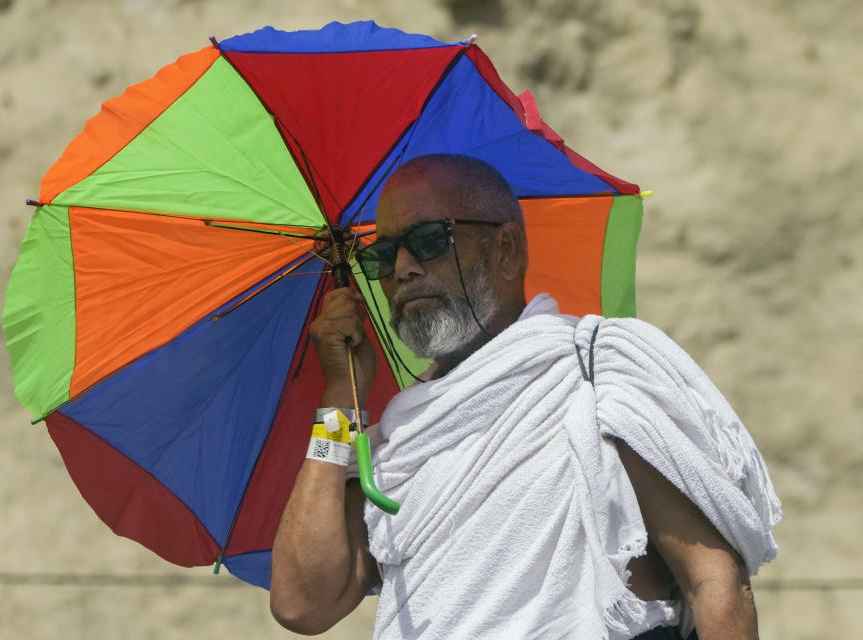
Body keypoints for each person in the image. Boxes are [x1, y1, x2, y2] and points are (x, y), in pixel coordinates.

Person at [269, 154, 780, 639]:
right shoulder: (403, 439)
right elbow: (302, 603)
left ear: (506, 249)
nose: (402, 268)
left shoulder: (596, 373)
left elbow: (714, 581)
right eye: (383, 253)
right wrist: (339, 398)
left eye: (428, 240)